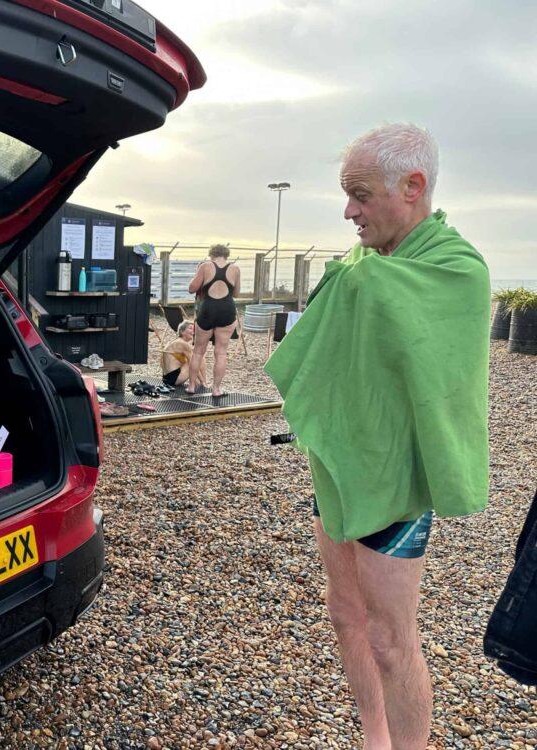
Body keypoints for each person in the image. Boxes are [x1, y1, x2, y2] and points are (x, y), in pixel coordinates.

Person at [265, 123, 490, 749]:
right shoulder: (368, 263)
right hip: (340, 466)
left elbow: (437, 370)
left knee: (391, 639)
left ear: (413, 186)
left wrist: (347, 285)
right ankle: (374, 739)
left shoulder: (457, 268)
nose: (349, 211)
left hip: (398, 481)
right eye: (347, 194)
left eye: (360, 195)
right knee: (345, 615)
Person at [186, 244, 240, 396]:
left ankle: (191, 386)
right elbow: (236, 294)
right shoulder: (235, 269)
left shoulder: (205, 266)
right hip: (227, 309)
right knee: (221, 353)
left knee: (198, 351)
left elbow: (191, 288)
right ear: (226, 255)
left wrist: (198, 273)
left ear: (211, 254)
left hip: (208, 309)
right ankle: (216, 389)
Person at [160, 320, 205, 387]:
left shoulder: (176, 341)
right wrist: (202, 381)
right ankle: (203, 383)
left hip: (166, 378)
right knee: (199, 359)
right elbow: (193, 363)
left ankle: (198, 384)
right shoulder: (182, 343)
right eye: (190, 328)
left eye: (194, 330)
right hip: (174, 378)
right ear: (182, 331)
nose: (193, 331)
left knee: (194, 358)